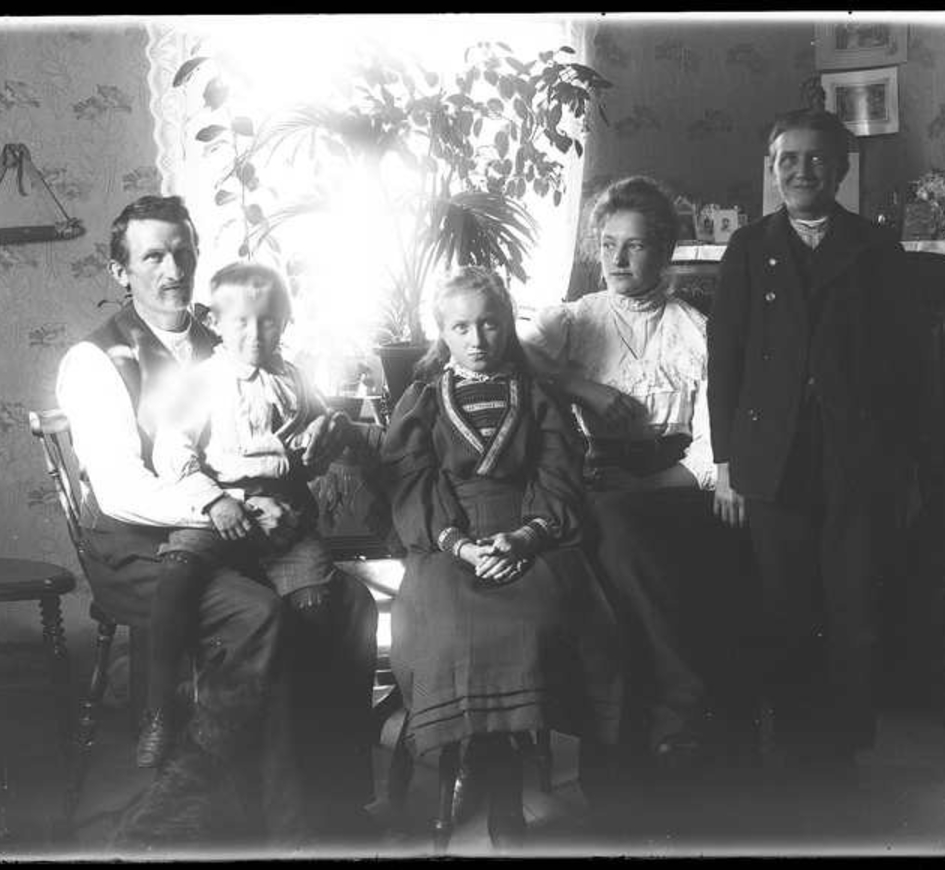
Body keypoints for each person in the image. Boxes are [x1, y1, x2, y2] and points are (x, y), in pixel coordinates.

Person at [56, 195, 377, 845]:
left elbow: (288, 419)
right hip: (140, 546)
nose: (173, 269)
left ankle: (334, 800)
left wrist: (325, 430)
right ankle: (237, 813)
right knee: (257, 615)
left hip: (237, 537)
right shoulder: (97, 360)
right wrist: (238, 509)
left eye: (183, 252)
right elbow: (120, 490)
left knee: (349, 603)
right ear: (121, 271)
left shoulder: (231, 336)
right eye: (153, 256)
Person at [520, 176, 756, 776]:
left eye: (635, 245)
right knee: (610, 525)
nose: (617, 259)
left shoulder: (694, 330)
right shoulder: (576, 321)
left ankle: (664, 711)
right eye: (607, 245)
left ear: (664, 251)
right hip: (596, 476)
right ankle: (675, 706)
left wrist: (649, 484)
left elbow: (712, 444)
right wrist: (582, 387)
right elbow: (508, 352)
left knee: (619, 525)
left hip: (672, 486)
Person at [381, 267, 623, 849]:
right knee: (450, 625)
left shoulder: (536, 394)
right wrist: (461, 545)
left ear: (508, 324)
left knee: (544, 617)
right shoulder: (423, 400)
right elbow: (411, 483)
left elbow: (557, 474)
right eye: (461, 327)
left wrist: (525, 538)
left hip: (530, 532)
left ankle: (508, 772)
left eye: (490, 324)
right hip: (447, 542)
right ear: (442, 331)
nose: (477, 339)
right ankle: (494, 773)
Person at [707, 109, 917, 777]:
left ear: (842, 169)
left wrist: (902, 467)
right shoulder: (749, 248)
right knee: (783, 601)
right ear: (772, 169)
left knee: (852, 602)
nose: (802, 171)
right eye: (788, 159)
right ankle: (791, 742)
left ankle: (842, 747)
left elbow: (906, 366)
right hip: (771, 457)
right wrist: (726, 464)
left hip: (854, 456)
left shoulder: (876, 248)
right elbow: (725, 361)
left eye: (817, 158)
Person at [137, 261, 359, 770]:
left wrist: (323, 429)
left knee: (316, 599)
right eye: (241, 322)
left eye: (268, 321)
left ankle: (301, 729)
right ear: (215, 322)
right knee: (179, 568)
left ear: (285, 323)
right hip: (220, 504)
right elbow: (172, 450)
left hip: (283, 512)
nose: (256, 334)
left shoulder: (293, 378)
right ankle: (159, 707)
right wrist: (214, 501)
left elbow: (320, 425)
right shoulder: (202, 382)